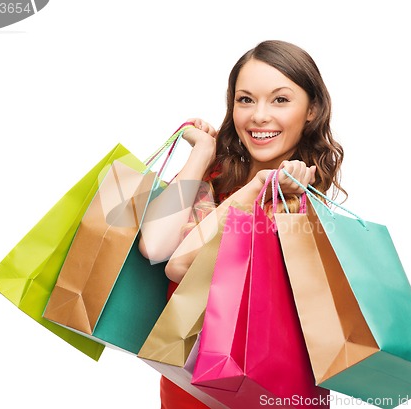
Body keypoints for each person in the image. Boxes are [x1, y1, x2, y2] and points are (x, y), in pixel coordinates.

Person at [139, 39, 346, 409]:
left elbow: (180, 264)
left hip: (261, 392)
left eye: (280, 100)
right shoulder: (217, 172)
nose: (258, 116)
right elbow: (154, 246)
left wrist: (258, 188)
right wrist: (201, 155)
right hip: (187, 382)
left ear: (312, 110)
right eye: (245, 99)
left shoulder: (300, 207)